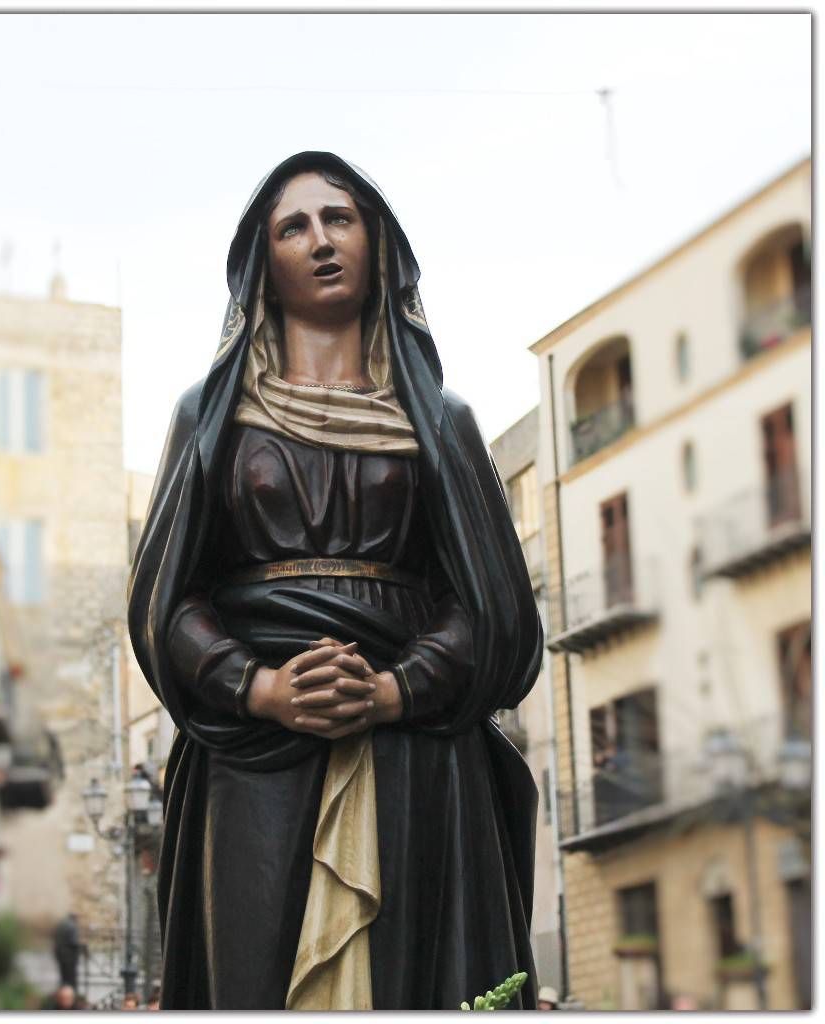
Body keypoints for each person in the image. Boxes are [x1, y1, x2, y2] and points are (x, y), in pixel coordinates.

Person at [127, 151, 544, 1010]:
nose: (321, 239)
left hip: (414, 752)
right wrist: (259, 686)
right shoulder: (208, 418)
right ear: (263, 265)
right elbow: (167, 600)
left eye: (340, 218)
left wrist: (397, 690)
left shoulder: (441, 423)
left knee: (414, 977)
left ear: (376, 242)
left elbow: (493, 605)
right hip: (255, 755)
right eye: (294, 226)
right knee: (255, 975)